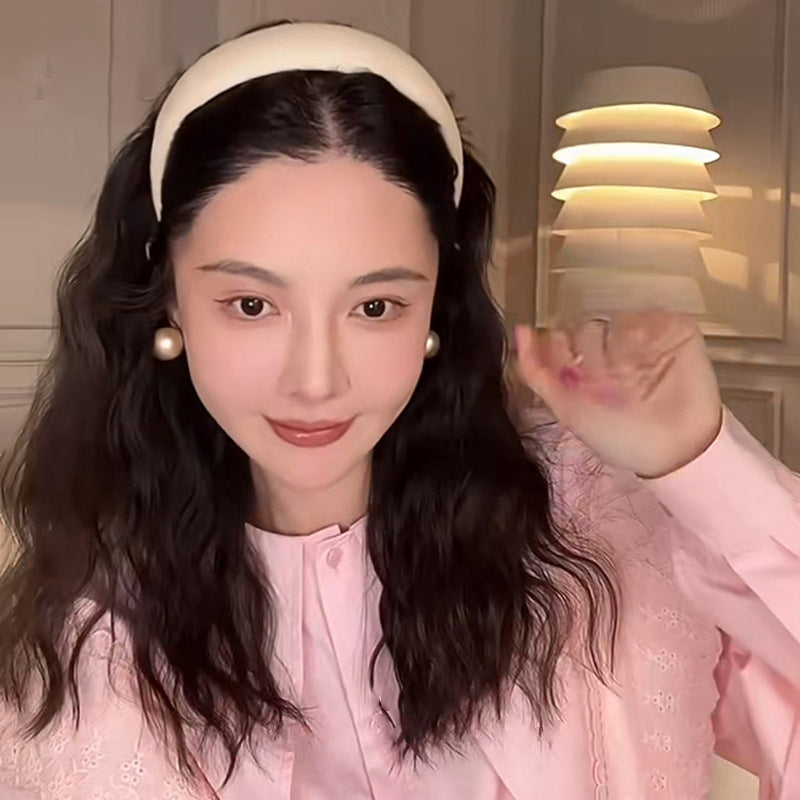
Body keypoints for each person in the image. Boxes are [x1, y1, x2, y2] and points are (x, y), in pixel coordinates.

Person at [0, 20, 798, 800]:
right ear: (170, 299)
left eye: (375, 307)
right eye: (251, 304)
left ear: (435, 310)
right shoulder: (85, 638)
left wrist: (697, 458)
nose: (315, 381)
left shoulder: (600, 534)